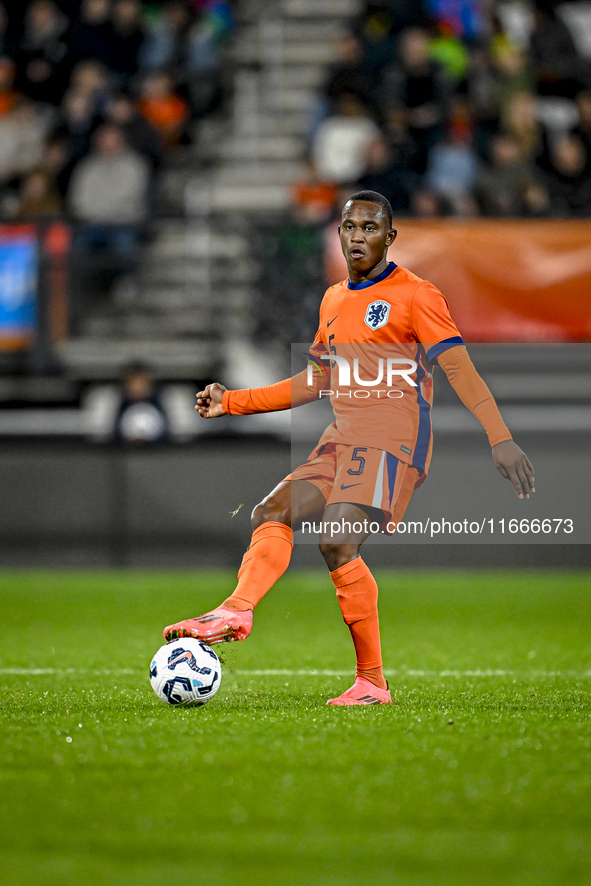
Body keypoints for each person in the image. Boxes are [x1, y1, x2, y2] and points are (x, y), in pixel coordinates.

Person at [164, 190, 535, 706]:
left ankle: (371, 682)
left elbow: (459, 370)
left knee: (337, 539)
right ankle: (237, 610)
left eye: (369, 228)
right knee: (271, 511)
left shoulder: (417, 295)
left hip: (394, 442)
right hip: (341, 438)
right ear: (338, 234)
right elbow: (315, 380)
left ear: (389, 236)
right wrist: (233, 402)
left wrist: (501, 437)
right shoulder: (334, 298)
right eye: (349, 227)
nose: (357, 237)